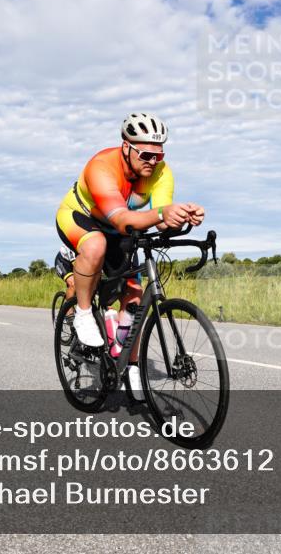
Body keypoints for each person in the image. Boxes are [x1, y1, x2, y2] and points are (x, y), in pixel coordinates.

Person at [55, 113, 204, 398]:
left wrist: (183, 217)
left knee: (134, 294)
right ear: (126, 146)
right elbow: (124, 218)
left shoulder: (161, 172)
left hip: (117, 228)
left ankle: (130, 365)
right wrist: (162, 213)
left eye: (159, 155)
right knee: (95, 245)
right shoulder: (101, 166)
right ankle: (83, 313)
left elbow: (161, 220)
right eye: (146, 154)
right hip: (81, 217)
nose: (153, 161)